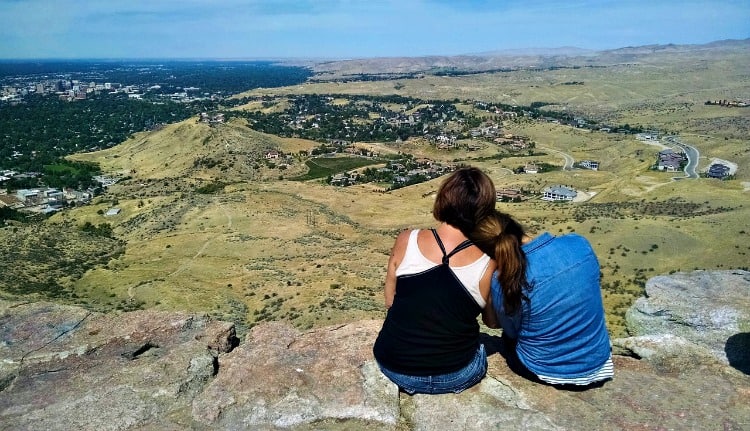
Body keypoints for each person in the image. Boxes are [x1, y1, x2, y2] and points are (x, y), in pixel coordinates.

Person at [372, 166, 498, 394]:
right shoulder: (488, 262)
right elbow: (492, 322)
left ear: (443, 199)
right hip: (457, 374)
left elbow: (390, 301)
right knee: (479, 348)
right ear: (485, 209)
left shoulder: (406, 240)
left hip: (396, 367)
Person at [470, 210, 614, 388]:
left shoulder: (504, 281)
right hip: (599, 359)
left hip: (545, 369)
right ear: (515, 225)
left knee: (510, 337)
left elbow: (503, 328)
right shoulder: (579, 244)